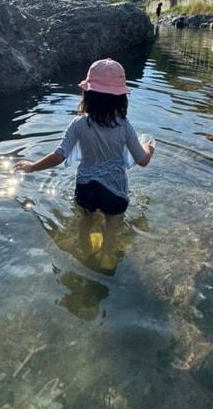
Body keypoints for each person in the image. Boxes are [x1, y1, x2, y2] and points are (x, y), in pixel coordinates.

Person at [14, 58, 155, 270]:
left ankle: (85, 251)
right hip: (114, 192)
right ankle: (107, 257)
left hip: (86, 188)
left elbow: (59, 155)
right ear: (121, 99)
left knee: (85, 221)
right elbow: (142, 161)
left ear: (87, 95)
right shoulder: (124, 127)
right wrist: (149, 147)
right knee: (112, 224)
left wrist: (32, 166)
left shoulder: (79, 123)